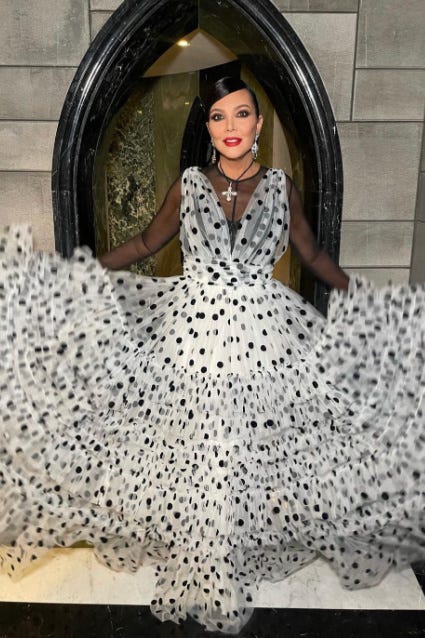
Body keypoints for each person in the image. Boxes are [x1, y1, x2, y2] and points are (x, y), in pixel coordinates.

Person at [0, 76, 424, 636]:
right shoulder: (190, 184)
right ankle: (202, 550)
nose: (230, 126)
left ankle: (230, 548)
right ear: (208, 127)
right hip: (191, 333)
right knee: (195, 445)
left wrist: (366, 298)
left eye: (241, 114)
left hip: (264, 335)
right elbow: (146, 243)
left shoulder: (280, 187)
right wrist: (74, 273)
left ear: (258, 124)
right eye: (219, 116)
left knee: (249, 448)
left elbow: (312, 254)